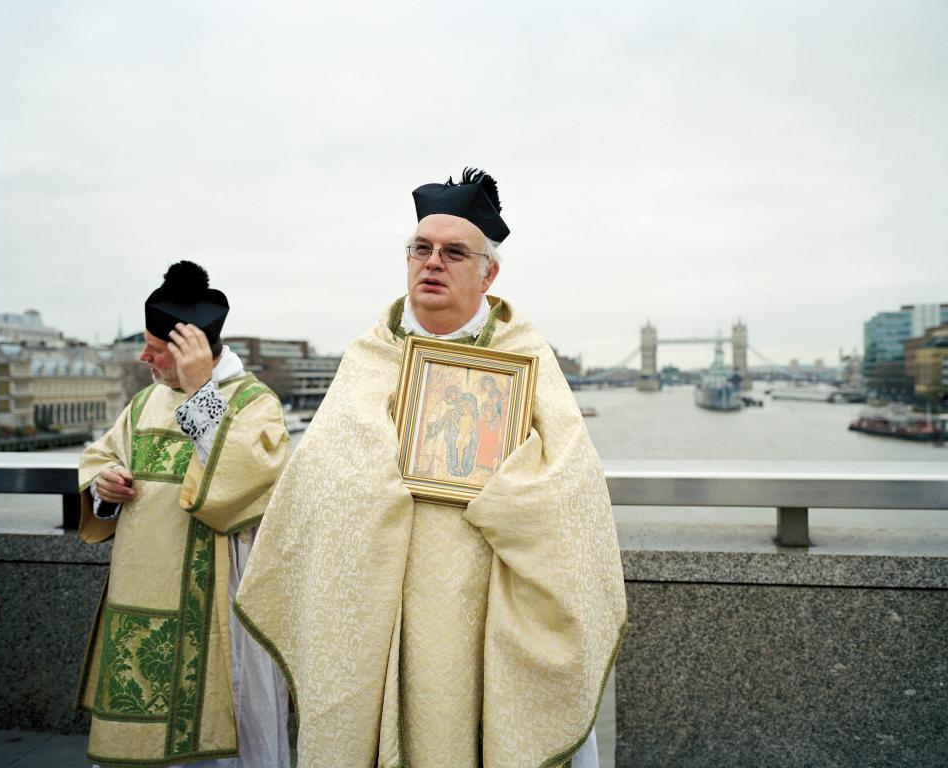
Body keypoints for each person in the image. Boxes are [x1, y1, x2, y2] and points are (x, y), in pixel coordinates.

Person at [235, 168, 626, 767]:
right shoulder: (370, 354)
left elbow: (568, 485)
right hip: (376, 601)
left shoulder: (522, 354)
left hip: (488, 600)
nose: (432, 263)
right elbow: (319, 477)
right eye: (421, 249)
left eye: (453, 252)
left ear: (488, 271)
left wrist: (496, 495)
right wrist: (379, 484)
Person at [75, 261, 291, 768]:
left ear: (192, 351)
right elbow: (103, 456)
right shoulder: (147, 399)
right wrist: (104, 485)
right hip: (140, 593)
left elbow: (241, 482)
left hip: (218, 602)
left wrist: (200, 394)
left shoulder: (255, 403)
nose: (142, 354)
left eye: (154, 347)